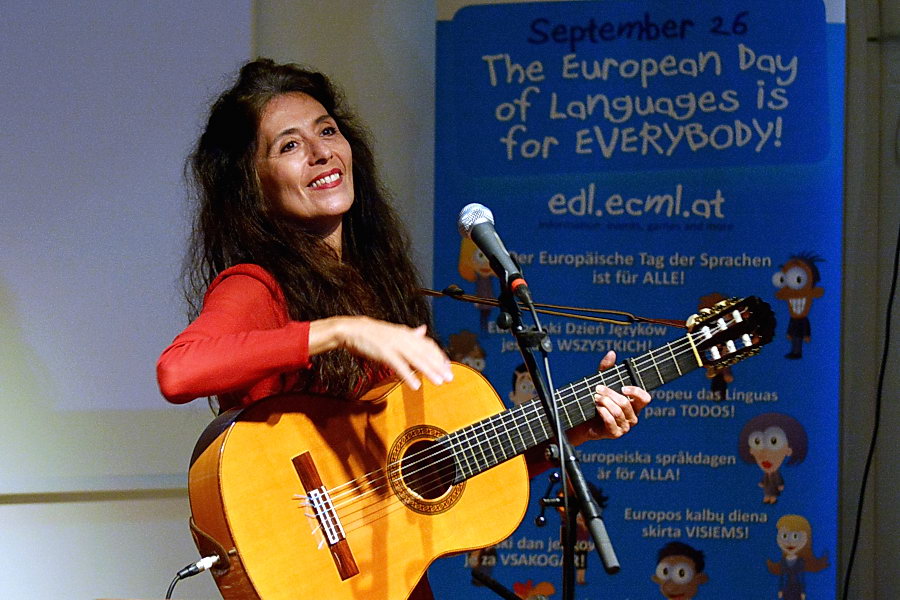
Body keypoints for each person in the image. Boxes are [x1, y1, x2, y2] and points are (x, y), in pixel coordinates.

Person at [156, 58, 651, 600]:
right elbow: (178, 372)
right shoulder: (257, 285)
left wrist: (569, 432)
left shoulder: (379, 284)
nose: (321, 152)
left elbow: (432, 476)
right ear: (250, 184)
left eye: (327, 131)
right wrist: (337, 331)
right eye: (289, 145)